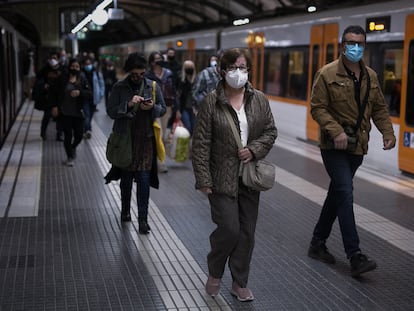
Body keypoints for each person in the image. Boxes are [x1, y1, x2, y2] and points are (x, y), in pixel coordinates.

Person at [307, 25, 396, 278]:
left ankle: (317, 243)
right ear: (342, 45)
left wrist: (388, 133)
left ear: (364, 46)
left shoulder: (370, 76)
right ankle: (355, 255)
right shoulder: (326, 74)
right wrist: (335, 131)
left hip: (358, 146)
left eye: (359, 43)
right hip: (333, 145)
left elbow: (379, 109)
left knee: (337, 194)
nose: (355, 47)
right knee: (345, 193)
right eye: (350, 42)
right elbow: (318, 108)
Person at [192, 48, 277, 301]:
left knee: (247, 232)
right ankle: (215, 270)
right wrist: (204, 180)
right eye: (233, 68)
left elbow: (271, 131)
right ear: (222, 71)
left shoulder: (259, 99)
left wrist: (254, 149)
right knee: (229, 229)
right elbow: (201, 144)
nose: (239, 73)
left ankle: (239, 282)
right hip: (221, 177)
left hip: (250, 177)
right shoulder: (211, 101)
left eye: (243, 67)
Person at [107, 52, 166, 234]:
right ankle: (125, 210)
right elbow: (111, 111)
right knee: (125, 181)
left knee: (143, 180)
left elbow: (162, 109)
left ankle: (143, 219)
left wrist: (152, 108)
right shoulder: (119, 87)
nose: (138, 77)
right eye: (134, 74)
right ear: (128, 72)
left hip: (146, 141)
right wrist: (129, 105)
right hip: (126, 140)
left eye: (141, 74)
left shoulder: (152, 86)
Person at [54, 58, 92, 167]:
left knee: (79, 136)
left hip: (78, 113)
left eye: (77, 67)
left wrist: (80, 92)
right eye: (73, 66)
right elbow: (55, 93)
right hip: (65, 113)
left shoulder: (83, 79)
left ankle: (72, 147)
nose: (74, 68)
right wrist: (54, 106)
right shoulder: (62, 78)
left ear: (79, 68)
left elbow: (89, 93)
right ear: (69, 67)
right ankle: (70, 157)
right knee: (67, 135)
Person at [145, 51, 178, 172]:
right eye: (157, 59)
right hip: (155, 108)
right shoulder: (148, 75)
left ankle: (160, 159)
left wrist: (177, 107)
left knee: (164, 135)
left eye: (160, 58)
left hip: (168, 107)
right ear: (152, 62)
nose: (159, 61)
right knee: (158, 134)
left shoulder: (169, 74)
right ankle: (160, 163)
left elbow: (174, 91)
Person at [81, 57, 105, 139]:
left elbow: (101, 84)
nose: (88, 66)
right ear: (83, 65)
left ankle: (86, 129)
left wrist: (101, 94)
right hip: (84, 97)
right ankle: (88, 130)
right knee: (87, 114)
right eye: (86, 64)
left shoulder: (97, 73)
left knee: (90, 115)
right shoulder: (81, 74)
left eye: (89, 64)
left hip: (94, 97)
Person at [175, 60, 197, 134]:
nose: (189, 68)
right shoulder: (181, 79)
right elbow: (177, 96)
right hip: (183, 107)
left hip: (194, 108)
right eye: (187, 67)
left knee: (194, 128)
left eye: (191, 67)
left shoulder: (196, 80)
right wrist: (177, 110)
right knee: (188, 127)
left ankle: (191, 144)